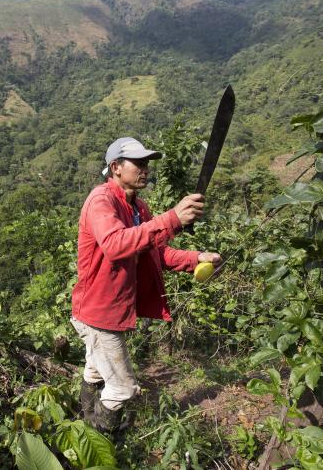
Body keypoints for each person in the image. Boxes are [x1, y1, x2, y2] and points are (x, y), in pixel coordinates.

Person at [71, 136, 222, 433]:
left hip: (112, 308)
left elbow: (155, 251)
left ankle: (84, 421)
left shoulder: (139, 207)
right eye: (138, 163)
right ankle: (101, 440)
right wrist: (173, 218)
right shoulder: (101, 200)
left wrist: (195, 258)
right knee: (124, 388)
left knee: (94, 367)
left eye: (147, 163)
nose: (145, 168)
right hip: (99, 312)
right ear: (115, 167)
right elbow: (115, 244)